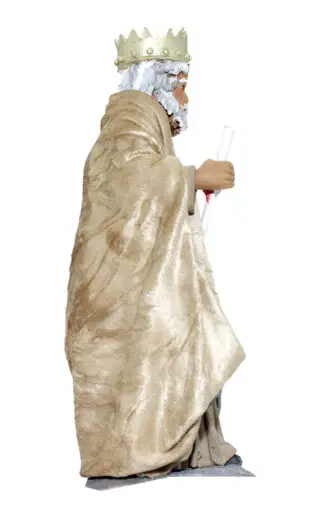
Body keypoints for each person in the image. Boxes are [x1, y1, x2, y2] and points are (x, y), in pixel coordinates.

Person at [64, 27, 246, 480]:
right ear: (157, 84)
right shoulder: (124, 130)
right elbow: (128, 186)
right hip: (118, 300)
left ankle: (190, 449)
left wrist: (188, 187)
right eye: (180, 84)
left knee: (188, 341)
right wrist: (192, 178)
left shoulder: (143, 132)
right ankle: (135, 455)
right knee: (160, 353)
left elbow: (144, 187)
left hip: (139, 287)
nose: (186, 97)